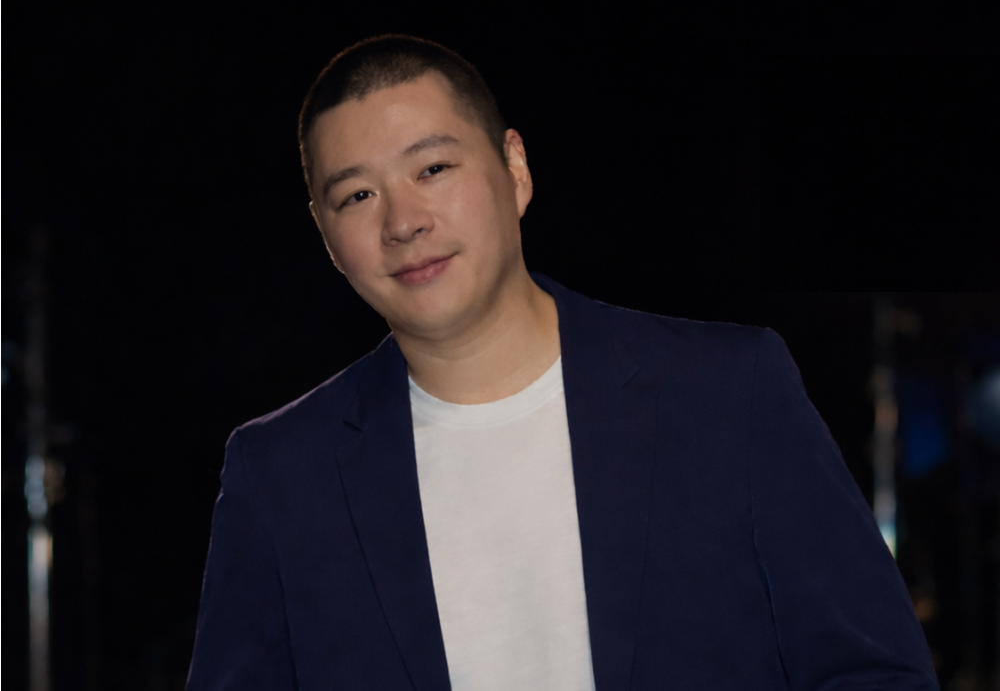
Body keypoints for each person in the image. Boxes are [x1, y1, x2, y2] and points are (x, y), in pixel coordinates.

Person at [186, 35, 938, 690]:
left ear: (515, 168)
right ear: (324, 233)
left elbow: (875, 672)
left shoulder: (726, 393)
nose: (403, 221)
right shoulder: (282, 475)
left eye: (433, 168)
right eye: (356, 195)